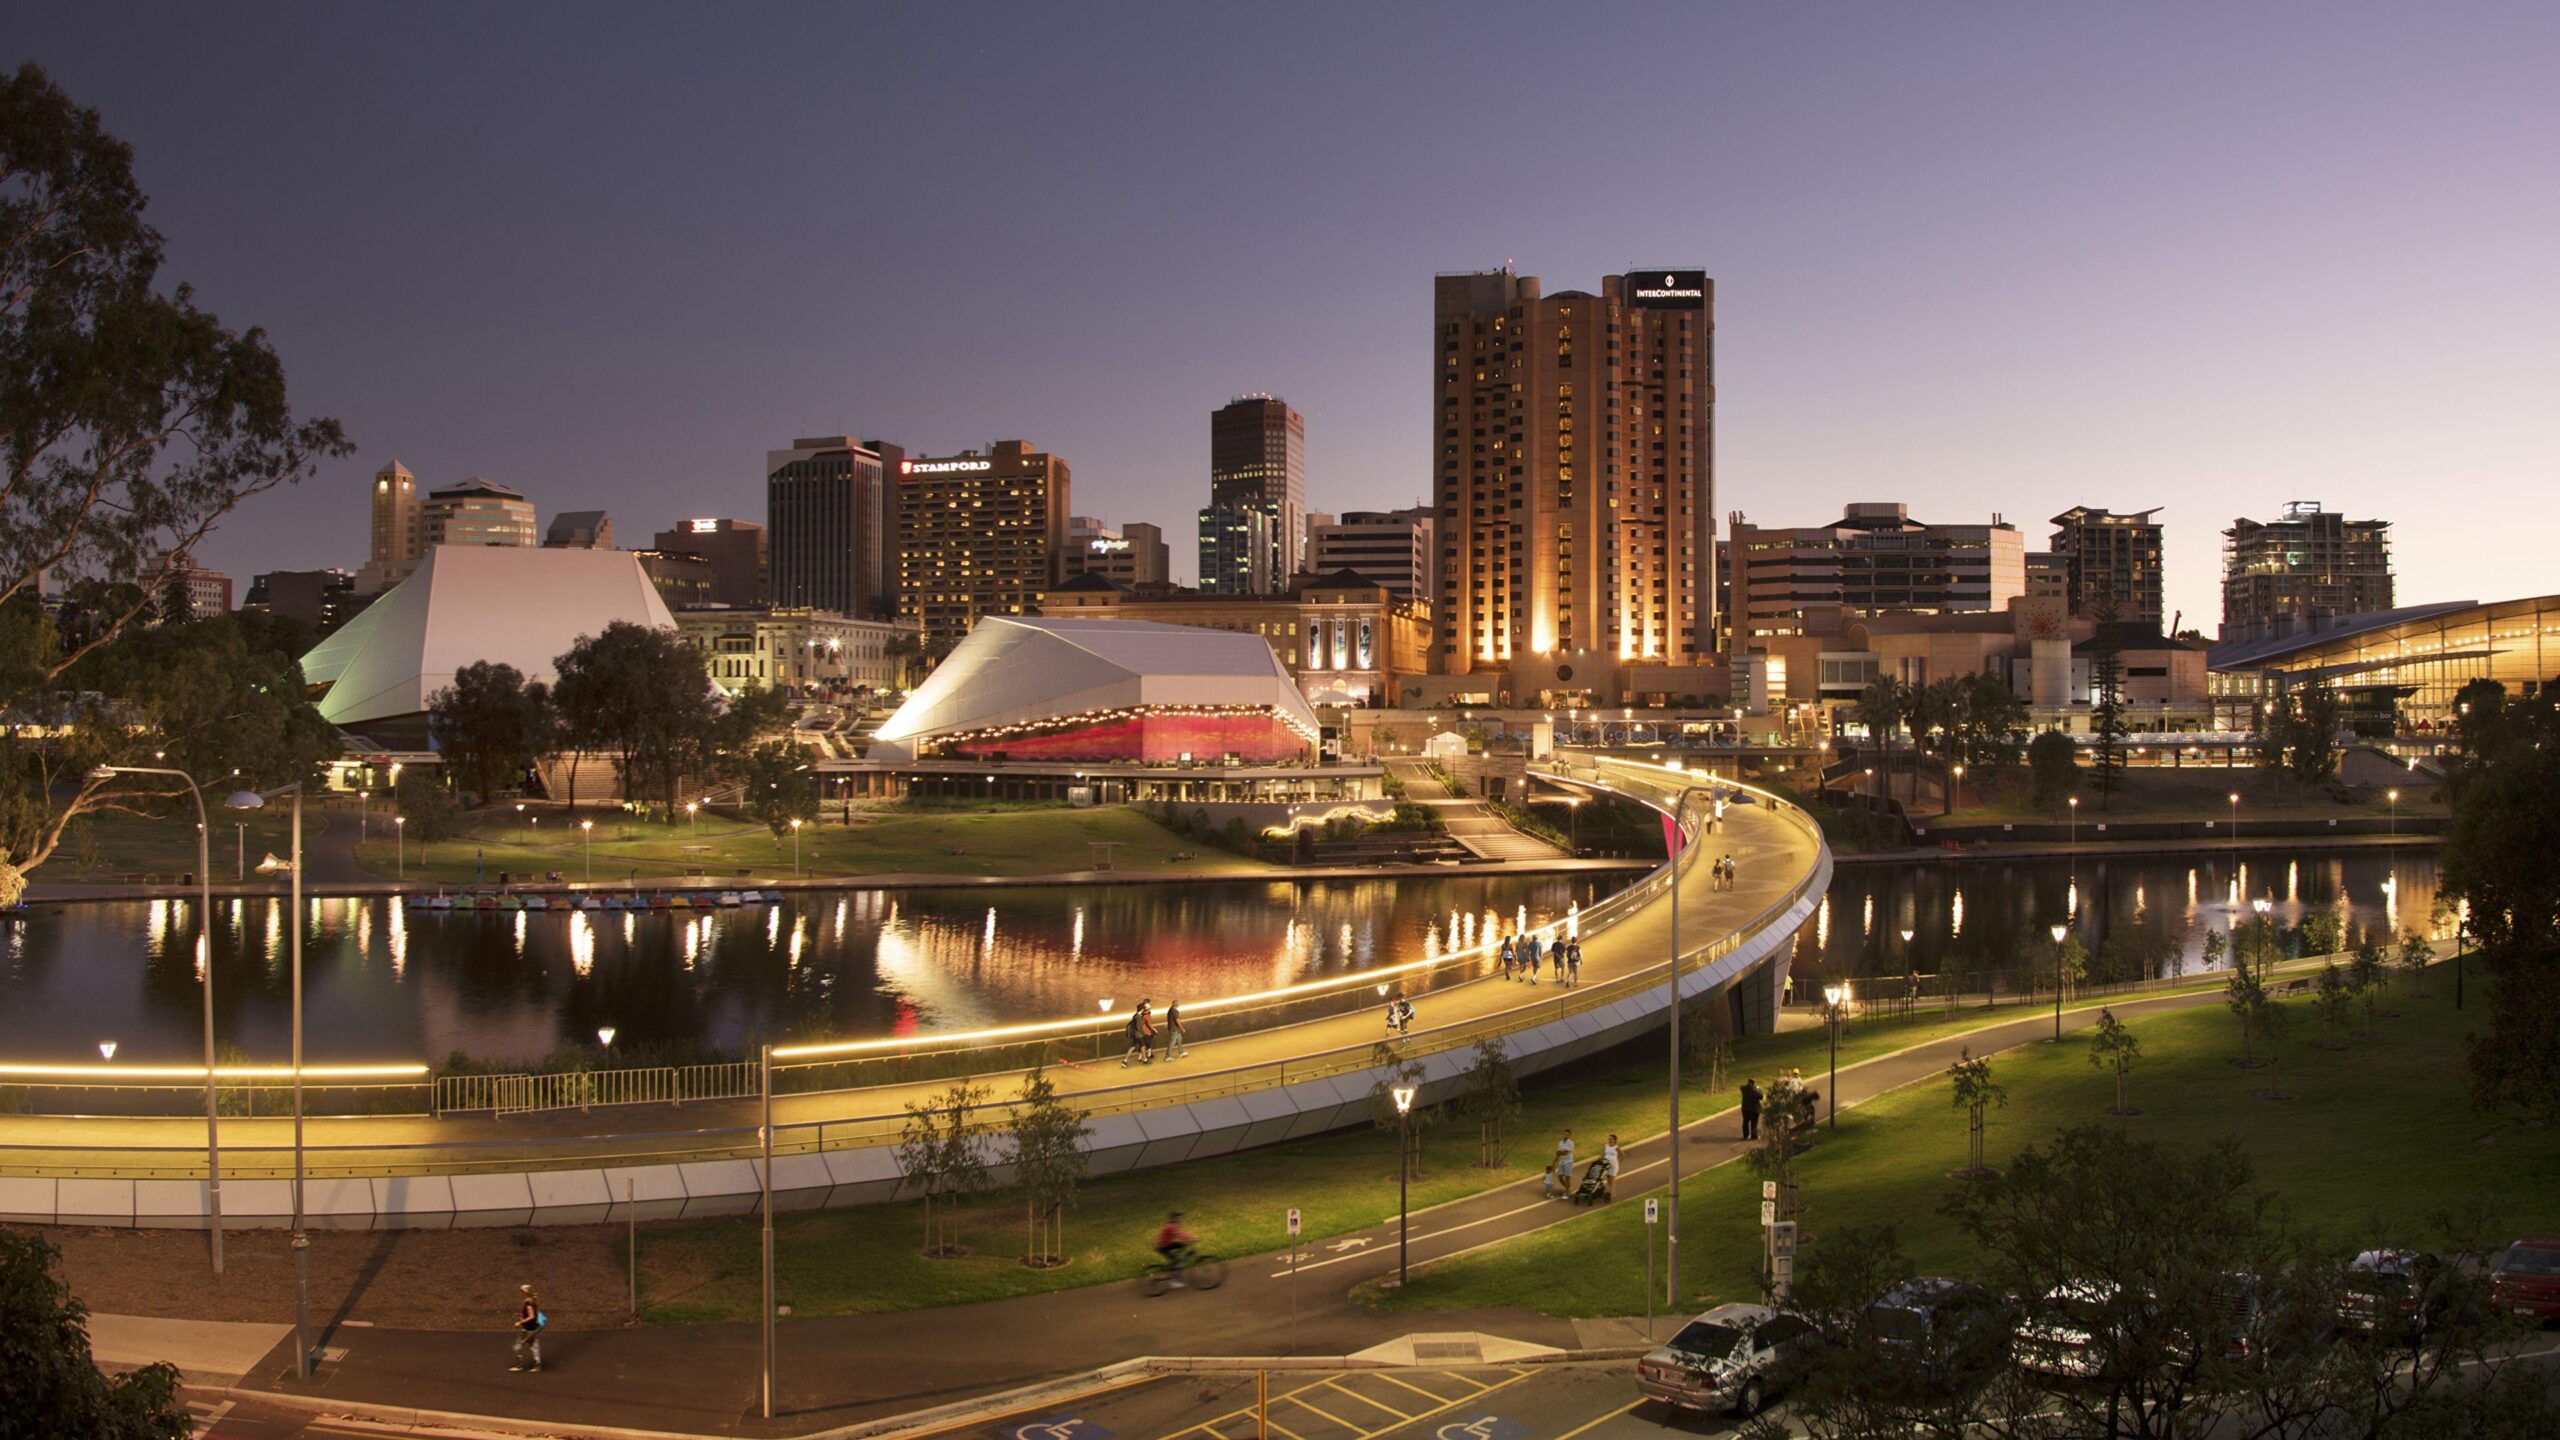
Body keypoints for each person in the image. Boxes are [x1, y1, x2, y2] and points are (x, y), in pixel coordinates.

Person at [1153, 1211, 1197, 1286]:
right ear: (1173, 1218)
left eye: (1181, 1217)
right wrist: (1191, 1238)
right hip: (1163, 1247)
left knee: (1182, 1245)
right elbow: (1179, 1234)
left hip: (1167, 1244)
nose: (1180, 1219)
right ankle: (1173, 1281)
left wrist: (1189, 1237)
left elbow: (1181, 1233)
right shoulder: (1171, 1226)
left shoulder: (1174, 1225)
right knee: (1178, 1262)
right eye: (1179, 1217)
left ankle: (1176, 1260)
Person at [510, 1284, 545, 1372]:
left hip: (527, 1329)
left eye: (522, 1292)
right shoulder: (532, 1301)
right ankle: (537, 1365)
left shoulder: (529, 1303)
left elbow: (532, 1316)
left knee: (517, 1346)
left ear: (525, 1292)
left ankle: (519, 1366)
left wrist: (520, 1322)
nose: (521, 1293)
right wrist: (521, 1315)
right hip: (532, 1328)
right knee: (534, 1347)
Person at [1542, 1129, 1576, 1198]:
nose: (1565, 1135)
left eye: (1567, 1134)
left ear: (1570, 1135)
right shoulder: (1560, 1143)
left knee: (1567, 1177)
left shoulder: (1570, 1143)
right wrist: (1555, 1161)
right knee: (1560, 1177)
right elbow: (1558, 1153)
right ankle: (1567, 1188)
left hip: (1568, 1162)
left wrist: (1560, 1152)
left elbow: (1566, 1152)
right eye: (1564, 1134)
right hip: (1562, 1161)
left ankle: (1567, 1192)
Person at [1601, 1133, 1622, 1200]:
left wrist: (1619, 1162)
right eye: (1609, 1139)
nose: (1610, 1140)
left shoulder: (1616, 1147)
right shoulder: (1606, 1146)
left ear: (1615, 1140)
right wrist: (1598, 1159)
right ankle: (1611, 1192)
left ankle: (1612, 1193)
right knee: (1608, 1180)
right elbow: (1602, 1154)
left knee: (1612, 1180)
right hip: (1607, 1165)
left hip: (1614, 1166)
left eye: (1611, 1139)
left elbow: (1623, 1155)